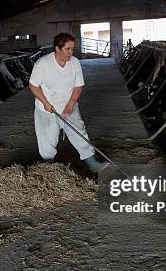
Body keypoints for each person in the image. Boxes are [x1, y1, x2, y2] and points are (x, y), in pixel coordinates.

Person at [29, 33, 108, 172]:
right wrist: (46, 103)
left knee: (79, 131)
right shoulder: (43, 64)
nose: (71, 52)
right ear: (57, 49)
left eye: (72, 49)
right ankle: (48, 167)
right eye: (68, 49)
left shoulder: (74, 62)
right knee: (48, 138)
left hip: (69, 105)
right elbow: (33, 86)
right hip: (48, 108)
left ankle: (91, 162)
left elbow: (78, 86)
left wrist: (70, 105)